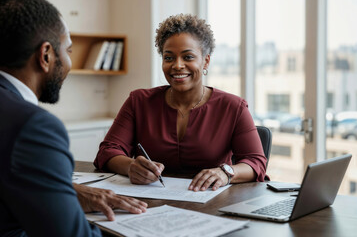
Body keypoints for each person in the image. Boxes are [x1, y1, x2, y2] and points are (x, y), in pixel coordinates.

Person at [0, 0, 147, 236]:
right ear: (46, 55)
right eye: (68, 50)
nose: (69, 60)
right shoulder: (33, 126)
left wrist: (65, 190)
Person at [94, 14, 267, 192]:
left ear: (206, 61)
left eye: (188, 57)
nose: (177, 65)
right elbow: (108, 152)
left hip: (210, 204)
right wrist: (130, 166)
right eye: (169, 58)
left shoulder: (233, 107)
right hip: (148, 203)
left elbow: (256, 162)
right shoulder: (138, 102)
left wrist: (226, 173)